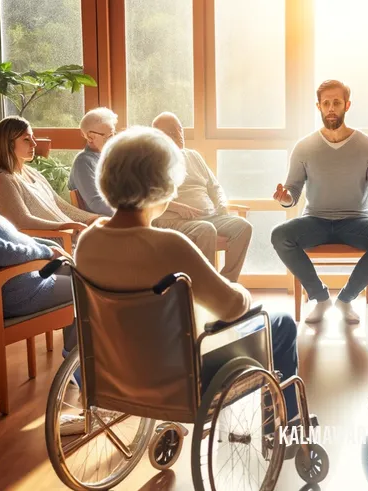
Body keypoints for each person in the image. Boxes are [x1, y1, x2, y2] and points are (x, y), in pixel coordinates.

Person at [72, 126, 299, 426]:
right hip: (175, 378)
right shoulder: (169, 246)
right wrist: (239, 291)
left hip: (112, 373)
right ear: (162, 185)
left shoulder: (88, 241)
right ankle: (283, 427)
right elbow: (232, 308)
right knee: (280, 323)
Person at [271, 80, 368, 324]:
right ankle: (320, 298)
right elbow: (293, 191)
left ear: (347, 105)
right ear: (318, 106)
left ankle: (346, 299)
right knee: (280, 235)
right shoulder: (303, 147)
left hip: (357, 221)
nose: (331, 108)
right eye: (326, 103)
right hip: (314, 220)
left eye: (336, 102)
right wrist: (285, 198)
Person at [151, 112, 252, 282]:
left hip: (210, 216)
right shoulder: (152, 161)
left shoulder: (193, 156)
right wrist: (178, 207)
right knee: (206, 230)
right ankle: (206, 287)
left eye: (179, 130)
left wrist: (221, 204)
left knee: (243, 227)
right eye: (170, 132)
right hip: (175, 221)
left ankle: (225, 284)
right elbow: (149, 198)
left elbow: (215, 186)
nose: (178, 135)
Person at [0, 116, 99, 233]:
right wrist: (64, 226)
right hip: (53, 241)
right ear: (8, 144)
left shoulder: (33, 173)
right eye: (26, 139)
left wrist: (94, 218)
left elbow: (61, 206)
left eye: (33, 138)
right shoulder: (3, 179)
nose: (34, 144)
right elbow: (20, 221)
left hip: (71, 235)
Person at [68, 107, 118, 216]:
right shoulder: (83, 162)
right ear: (90, 137)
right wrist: (131, 214)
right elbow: (96, 204)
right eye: (109, 136)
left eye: (114, 133)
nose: (113, 139)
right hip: (102, 222)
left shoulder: (107, 157)